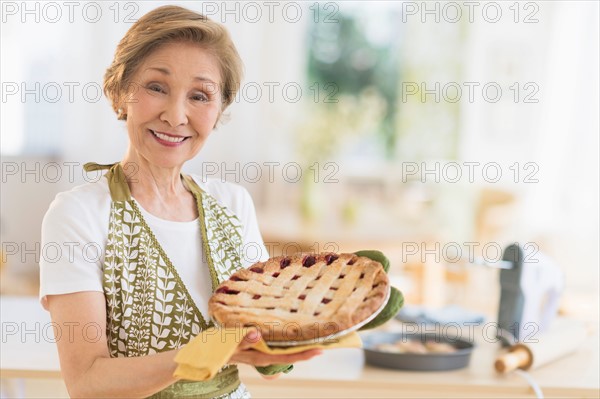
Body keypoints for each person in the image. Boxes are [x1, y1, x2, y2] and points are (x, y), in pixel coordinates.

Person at [39, 5, 321, 398]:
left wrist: (307, 316)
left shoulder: (233, 204)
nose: (175, 115)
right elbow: (87, 384)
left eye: (200, 96)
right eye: (156, 87)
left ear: (219, 110)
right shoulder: (78, 215)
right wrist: (208, 353)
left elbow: (270, 362)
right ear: (121, 91)